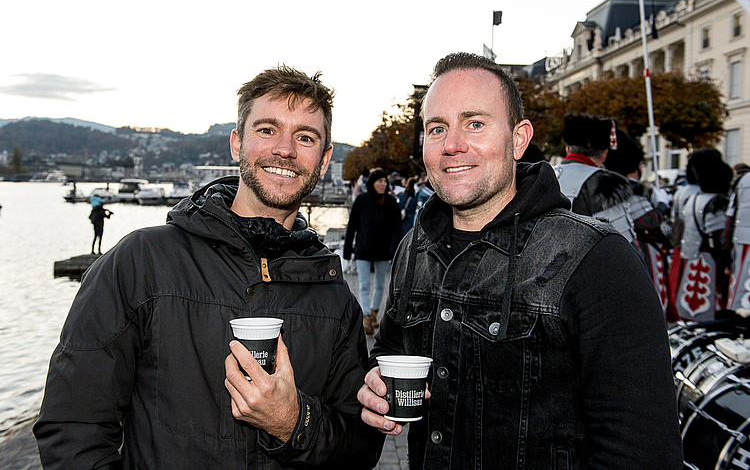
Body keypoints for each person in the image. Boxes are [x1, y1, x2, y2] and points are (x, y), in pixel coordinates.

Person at [34, 66, 383, 470]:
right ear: (237, 144)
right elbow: (73, 425)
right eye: (267, 130)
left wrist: (295, 423)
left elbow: (361, 448)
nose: (284, 149)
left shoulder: (333, 297)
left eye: (304, 137)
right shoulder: (143, 262)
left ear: (323, 161)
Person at [357, 52, 682, 469]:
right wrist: (375, 383)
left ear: (519, 139)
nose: (452, 144)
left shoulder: (597, 260)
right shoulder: (413, 249)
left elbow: (642, 452)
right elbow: (390, 349)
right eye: (437, 128)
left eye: (475, 123)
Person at [604, 131, 672, 314]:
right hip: (640, 251)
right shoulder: (629, 188)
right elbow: (651, 222)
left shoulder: (607, 184)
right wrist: (663, 205)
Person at [667, 148, 733, 322]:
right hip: (710, 260)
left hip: (691, 256)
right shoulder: (716, 202)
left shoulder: (692, 198)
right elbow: (721, 238)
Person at [553, 114, 636, 242]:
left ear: (567, 149)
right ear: (605, 154)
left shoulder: (539, 174)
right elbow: (621, 242)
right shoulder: (606, 182)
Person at [344, 168, 403, 335]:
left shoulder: (391, 203)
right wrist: (348, 251)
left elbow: (397, 228)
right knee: (364, 285)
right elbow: (352, 226)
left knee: (380, 285)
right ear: (372, 183)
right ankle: (366, 316)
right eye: (380, 181)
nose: (383, 184)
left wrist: (395, 249)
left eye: (385, 181)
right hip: (363, 249)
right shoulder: (361, 201)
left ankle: (374, 313)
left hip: (383, 251)